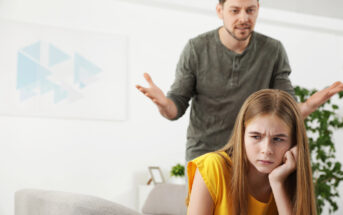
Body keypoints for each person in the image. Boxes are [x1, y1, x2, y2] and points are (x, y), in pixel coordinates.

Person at [136, 0, 343, 161]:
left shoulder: (273, 50)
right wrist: (164, 104)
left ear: (258, 9)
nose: (244, 17)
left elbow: (285, 109)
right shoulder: (196, 49)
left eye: (250, 10)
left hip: (252, 157)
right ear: (220, 11)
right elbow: (175, 107)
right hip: (205, 154)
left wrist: (309, 105)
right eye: (235, 10)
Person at [187, 89, 317, 215]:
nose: (266, 150)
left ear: (294, 143)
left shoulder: (288, 181)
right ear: (242, 135)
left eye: (278, 139)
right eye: (256, 136)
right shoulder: (213, 167)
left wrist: (277, 184)